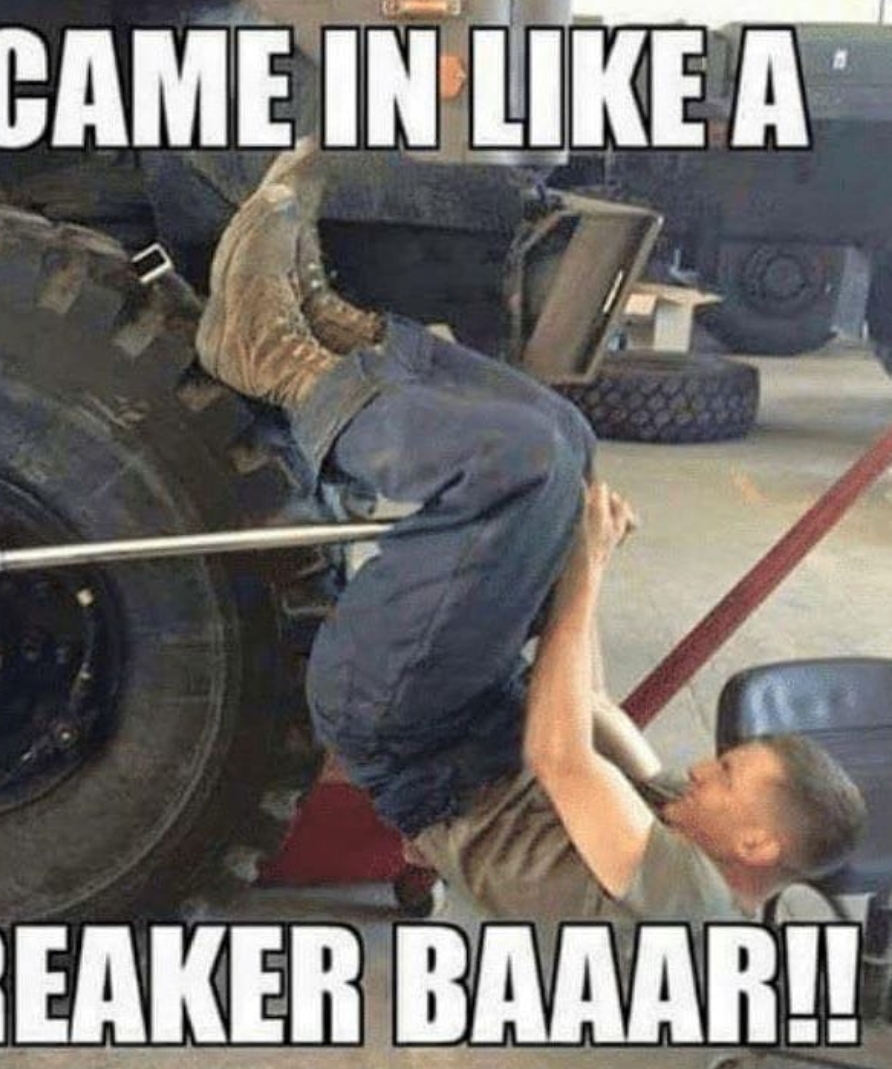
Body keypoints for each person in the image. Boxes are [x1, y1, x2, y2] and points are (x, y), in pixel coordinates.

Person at [195, 143, 867, 933]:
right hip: (459, 711)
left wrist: (582, 567)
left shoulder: (687, 904)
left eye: (724, 774)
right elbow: (592, 707)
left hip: (400, 726)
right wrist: (584, 548)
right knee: (569, 443)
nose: (699, 770)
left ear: (757, 843)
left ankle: (280, 363)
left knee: (516, 465)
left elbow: (559, 754)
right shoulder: (695, 842)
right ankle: (344, 335)